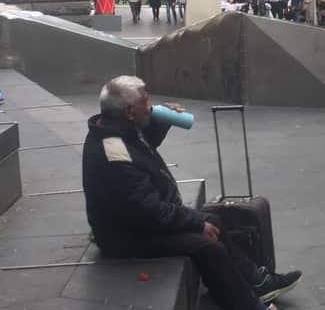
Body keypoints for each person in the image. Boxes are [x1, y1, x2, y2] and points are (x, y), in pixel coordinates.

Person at [82, 76, 302, 310]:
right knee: (207, 246)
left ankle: (258, 282)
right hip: (125, 237)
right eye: (145, 102)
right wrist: (195, 223)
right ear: (129, 112)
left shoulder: (114, 129)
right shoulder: (114, 156)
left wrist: (159, 123)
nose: (151, 106)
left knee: (214, 221)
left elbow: (140, 154)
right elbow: (146, 210)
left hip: (139, 221)